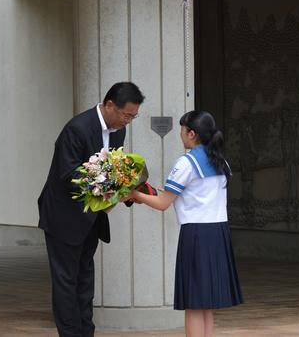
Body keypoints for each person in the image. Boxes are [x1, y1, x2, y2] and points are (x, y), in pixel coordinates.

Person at [37, 82, 144, 336]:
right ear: (109, 105)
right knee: (66, 282)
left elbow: (115, 168)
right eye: (126, 115)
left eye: (133, 116)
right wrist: (110, 184)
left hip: (91, 218)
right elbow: (69, 173)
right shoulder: (77, 128)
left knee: (85, 280)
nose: (128, 121)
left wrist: (127, 188)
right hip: (63, 216)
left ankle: (86, 332)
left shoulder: (118, 131)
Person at [130, 110, 243, 337]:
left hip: (196, 235)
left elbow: (163, 203)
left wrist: (134, 194)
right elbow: (188, 195)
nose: (180, 135)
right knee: (206, 303)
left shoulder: (187, 162)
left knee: (193, 303)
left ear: (191, 134)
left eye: (182, 131)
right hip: (218, 233)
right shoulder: (221, 161)